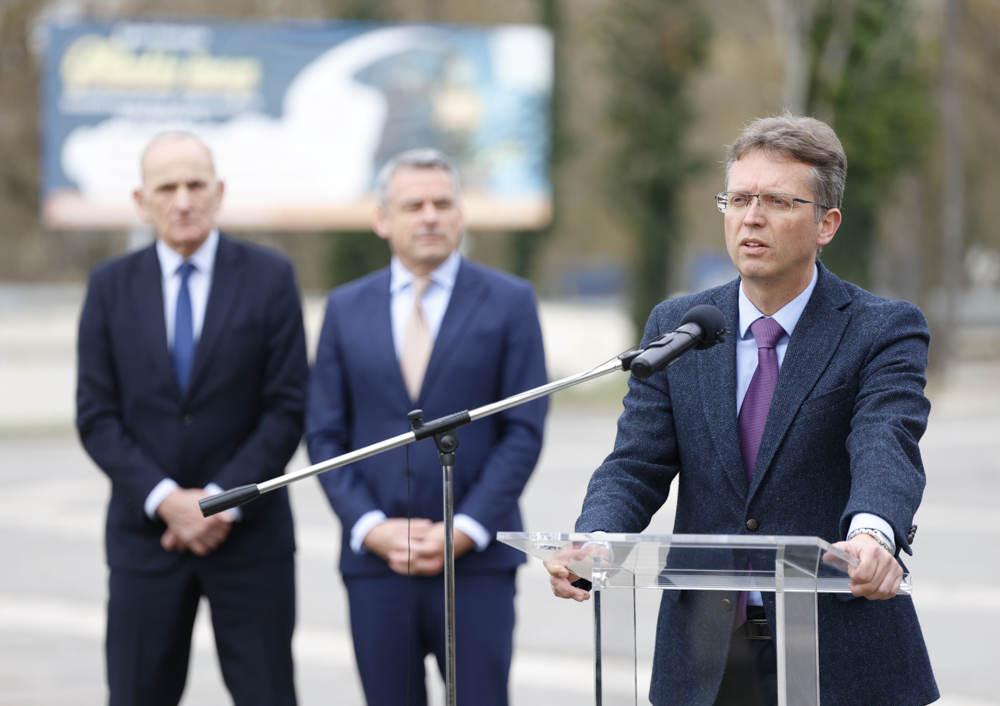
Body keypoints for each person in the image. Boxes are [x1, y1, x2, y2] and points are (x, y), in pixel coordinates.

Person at [547, 114, 939, 706]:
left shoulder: (882, 329)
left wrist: (872, 534)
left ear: (826, 224)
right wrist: (595, 538)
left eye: (778, 201)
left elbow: (886, 440)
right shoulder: (680, 327)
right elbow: (636, 462)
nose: (751, 217)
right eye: (738, 199)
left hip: (839, 646)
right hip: (707, 656)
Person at [306, 148, 547, 706]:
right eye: (413, 205)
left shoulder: (510, 301)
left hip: (477, 564)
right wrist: (369, 526)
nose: (431, 216)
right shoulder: (344, 308)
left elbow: (523, 430)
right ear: (381, 218)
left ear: (461, 214)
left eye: (443, 203)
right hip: (376, 565)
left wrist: (464, 528)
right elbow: (324, 435)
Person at [76, 132, 307, 706]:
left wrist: (221, 500)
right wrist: (166, 500)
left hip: (251, 541)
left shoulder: (271, 276)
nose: (182, 200)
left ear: (219, 192)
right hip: (145, 540)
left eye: (195, 184)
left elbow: (287, 406)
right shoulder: (108, 286)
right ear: (141, 200)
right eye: (166, 187)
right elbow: (96, 416)